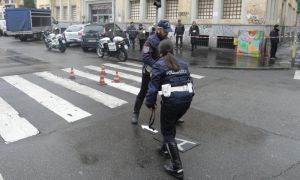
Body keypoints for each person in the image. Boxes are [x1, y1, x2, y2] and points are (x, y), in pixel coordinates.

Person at [145, 39, 194, 179]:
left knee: (167, 131)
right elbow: (190, 81)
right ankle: (165, 149)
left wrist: (150, 103)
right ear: (172, 49)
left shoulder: (158, 65)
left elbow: (153, 87)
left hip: (172, 102)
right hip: (186, 101)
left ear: (160, 51)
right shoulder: (183, 64)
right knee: (170, 124)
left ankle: (177, 168)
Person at [131, 20, 172, 124]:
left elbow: (170, 55)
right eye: (165, 31)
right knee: (143, 92)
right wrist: (157, 66)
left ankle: (172, 115)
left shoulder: (167, 40)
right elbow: (145, 57)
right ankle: (135, 113)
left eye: (168, 31)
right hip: (149, 72)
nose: (167, 33)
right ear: (159, 29)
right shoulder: (150, 40)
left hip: (162, 72)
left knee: (166, 93)